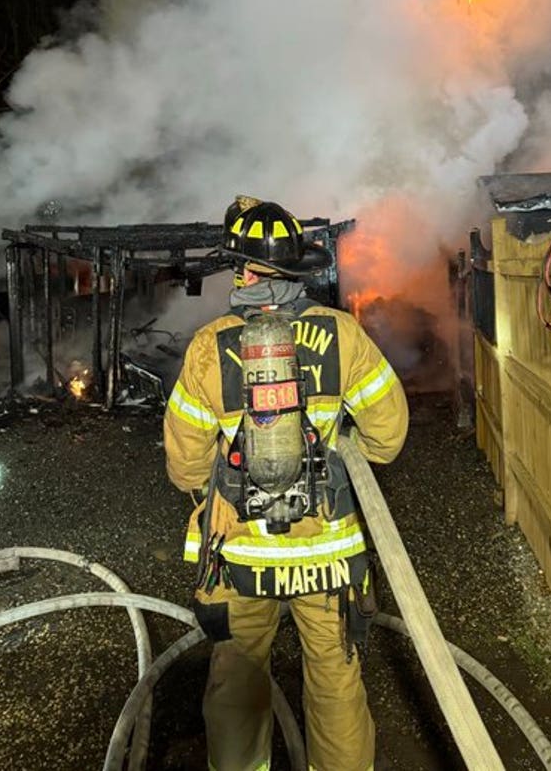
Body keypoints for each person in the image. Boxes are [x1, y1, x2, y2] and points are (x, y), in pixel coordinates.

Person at [164, 198, 408, 771]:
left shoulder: (210, 346)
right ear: (296, 269)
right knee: (335, 681)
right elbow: (389, 436)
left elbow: (184, 461)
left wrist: (213, 493)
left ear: (244, 271)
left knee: (237, 685)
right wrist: (347, 453)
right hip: (328, 553)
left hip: (242, 557)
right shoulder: (341, 334)